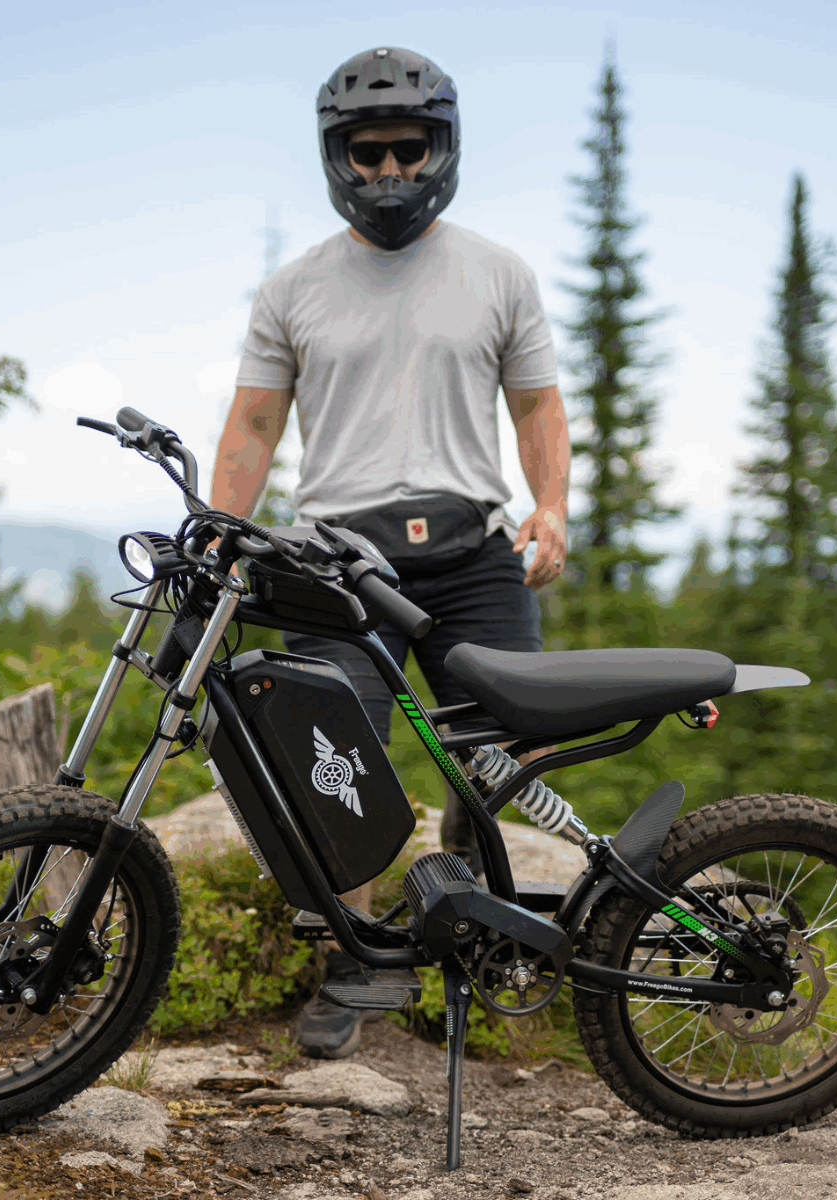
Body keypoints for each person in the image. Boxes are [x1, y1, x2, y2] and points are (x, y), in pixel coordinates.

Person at [209, 45, 569, 1059]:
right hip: (337, 566)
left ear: (442, 149)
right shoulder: (294, 289)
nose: (389, 174)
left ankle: (482, 929)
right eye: (367, 154)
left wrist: (553, 508)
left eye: (410, 151)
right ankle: (355, 962)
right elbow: (250, 429)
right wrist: (221, 538)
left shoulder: (499, 272)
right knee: (336, 774)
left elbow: (537, 406)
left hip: (473, 554)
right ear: (337, 155)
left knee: (502, 757)